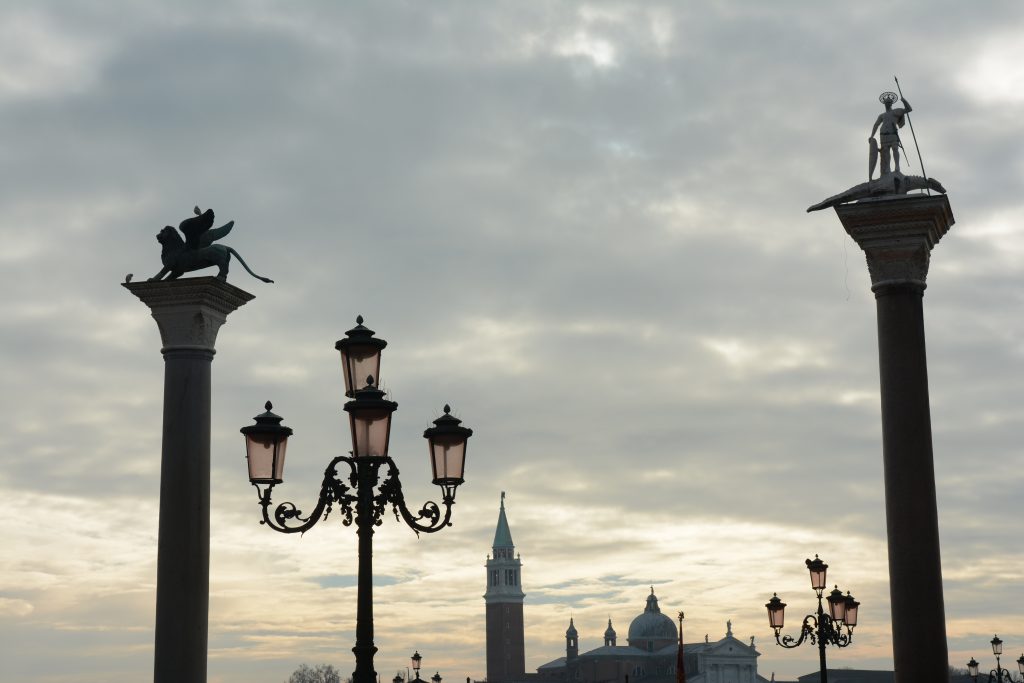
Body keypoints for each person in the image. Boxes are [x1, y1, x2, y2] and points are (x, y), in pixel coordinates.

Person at [869, 92, 912, 179]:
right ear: (884, 104)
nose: (887, 104)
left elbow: (908, 109)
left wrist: (904, 101)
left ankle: (897, 167)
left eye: (889, 102)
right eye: (886, 103)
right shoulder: (882, 115)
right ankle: (887, 168)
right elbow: (876, 125)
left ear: (891, 103)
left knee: (895, 149)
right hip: (883, 135)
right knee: (885, 152)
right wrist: (872, 136)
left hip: (893, 133)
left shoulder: (896, 111)